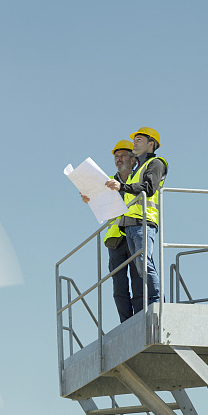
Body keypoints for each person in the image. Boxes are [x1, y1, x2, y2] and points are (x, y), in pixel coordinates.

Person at [82, 140, 144, 322]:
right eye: (116, 157)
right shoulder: (107, 182)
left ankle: (140, 320)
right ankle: (126, 322)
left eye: (123, 156)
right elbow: (101, 208)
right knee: (119, 285)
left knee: (138, 279)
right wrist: (90, 200)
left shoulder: (138, 179)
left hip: (135, 231)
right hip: (116, 238)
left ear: (133, 160)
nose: (119, 159)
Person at [105, 127, 168, 305]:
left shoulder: (156, 163)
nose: (135, 141)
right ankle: (151, 305)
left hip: (143, 222)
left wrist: (121, 187)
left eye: (139, 139)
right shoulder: (137, 170)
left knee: (143, 264)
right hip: (129, 227)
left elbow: (148, 188)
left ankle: (157, 303)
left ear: (151, 144)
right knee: (139, 268)